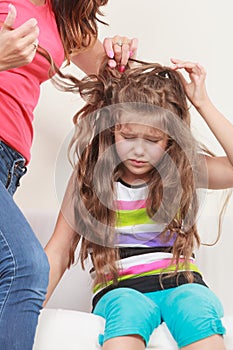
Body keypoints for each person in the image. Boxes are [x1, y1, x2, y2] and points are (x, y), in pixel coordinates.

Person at [44, 57, 233, 350]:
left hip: (182, 285)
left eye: (153, 139)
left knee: (197, 308)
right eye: (128, 135)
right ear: (112, 129)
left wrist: (203, 103)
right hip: (120, 290)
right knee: (127, 313)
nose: (138, 149)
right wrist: (19, 312)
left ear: (170, 140)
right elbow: (57, 253)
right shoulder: (90, 176)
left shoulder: (182, 169)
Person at [0, 1, 138, 349]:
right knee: (25, 266)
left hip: (9, 164)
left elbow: (117, 80)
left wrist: (120, 55)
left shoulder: (64, 16)